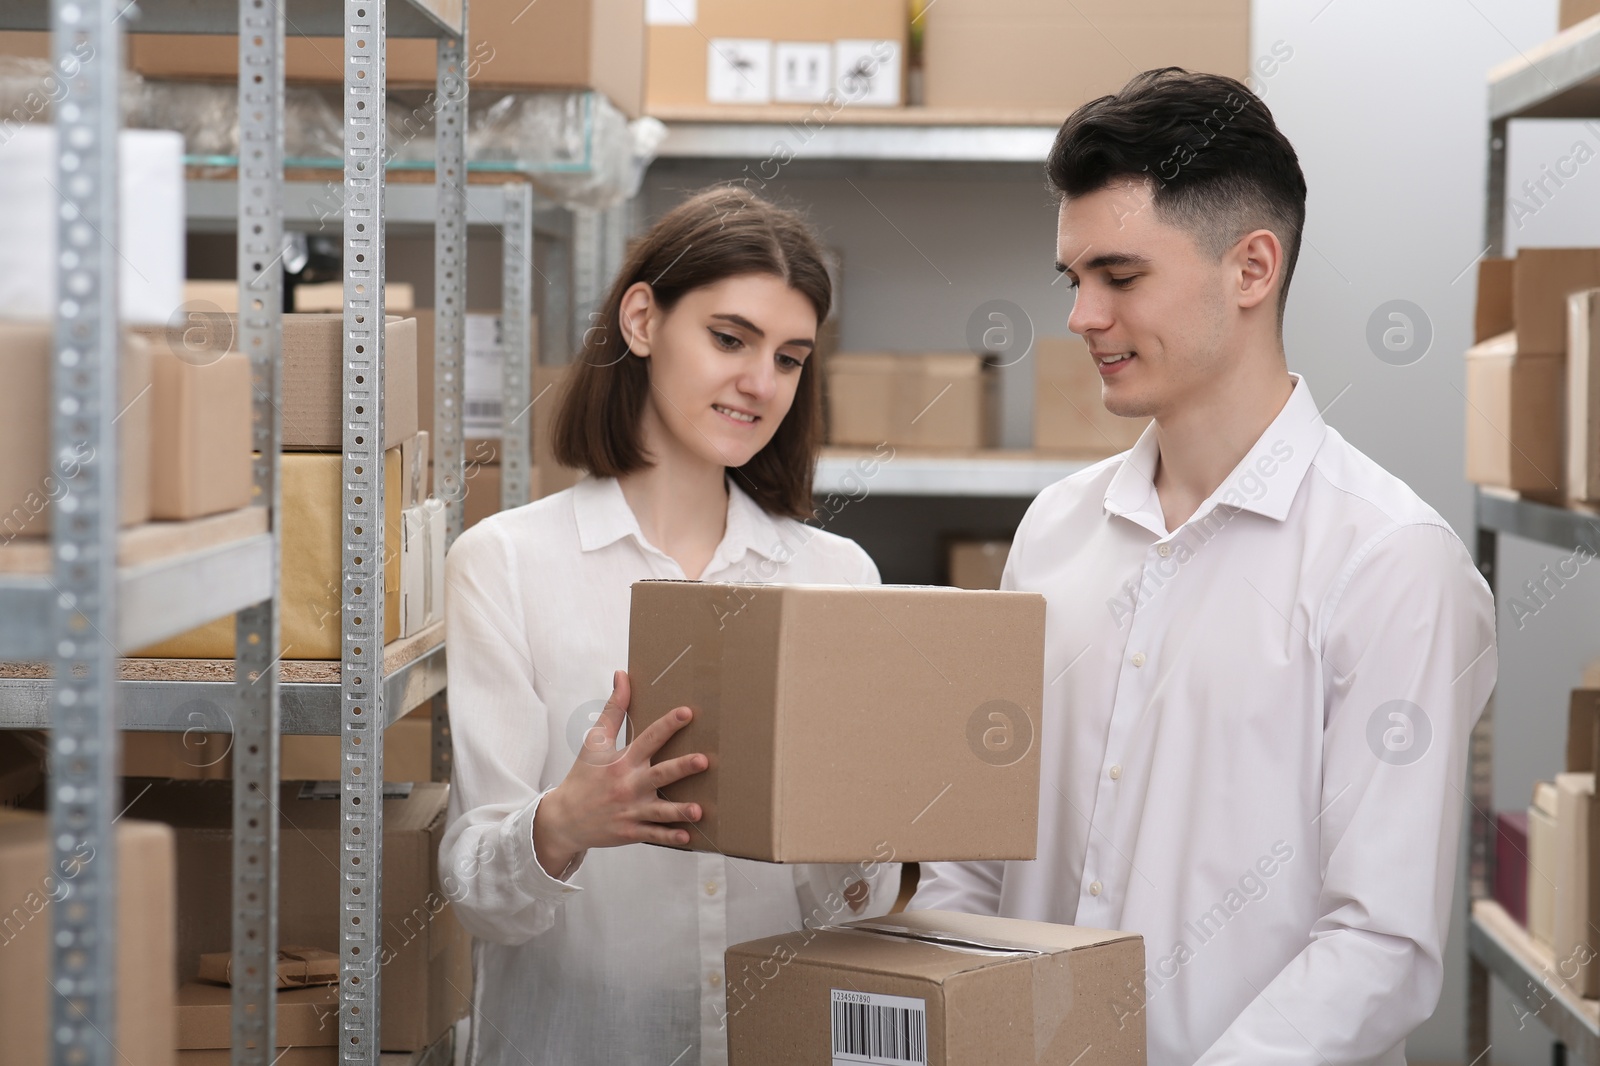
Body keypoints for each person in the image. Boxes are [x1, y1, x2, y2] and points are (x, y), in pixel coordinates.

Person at [911, 68, 1497, 1065]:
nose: (1081, 317)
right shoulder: (1054, 531)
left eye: (1120, 276)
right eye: (1073, 280)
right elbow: (974, 861)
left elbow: (1379, 946)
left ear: (1252, 267)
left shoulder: (1391, 562)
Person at [439, 185, 902, 1066]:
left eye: (790, 357)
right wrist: (563, 824)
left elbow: (857, 910)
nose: (760, 383)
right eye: (730, 339)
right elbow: (473, 896)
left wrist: (873, 826)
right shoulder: (506, 563)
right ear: (643, 319)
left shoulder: (836, 576)